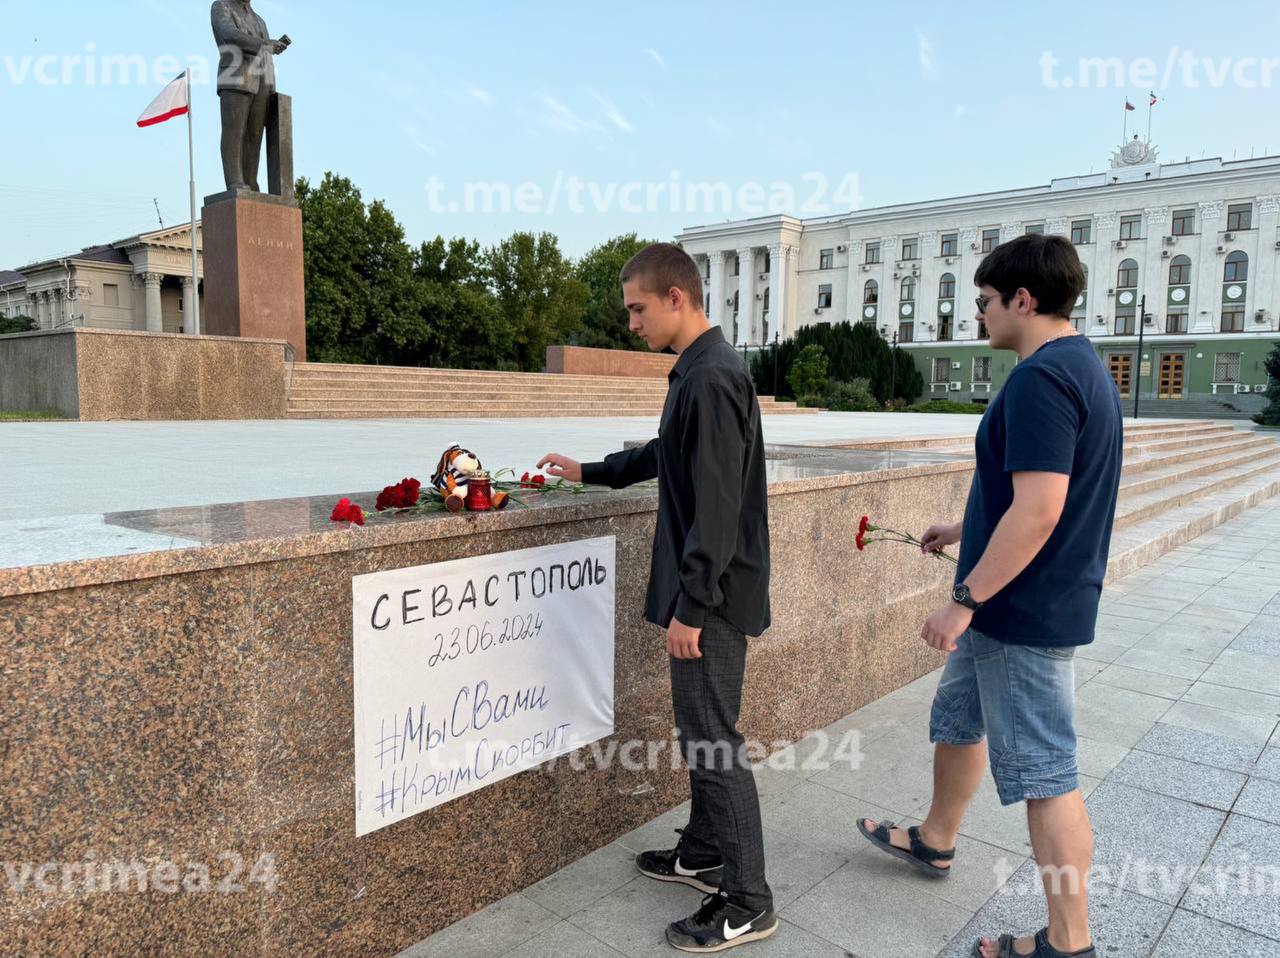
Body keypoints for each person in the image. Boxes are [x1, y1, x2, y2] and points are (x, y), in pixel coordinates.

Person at [857, 234, 1120, 958]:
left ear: (1023, 300)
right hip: (1023, 600)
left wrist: (964, 599)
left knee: (1047, 776)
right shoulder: (1078, 363)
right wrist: (961, 528)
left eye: (985, 301)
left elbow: (1039, 510)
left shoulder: (1041, 379)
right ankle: (936, 839)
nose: (979, 314)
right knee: (957, 718)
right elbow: (1023, 491)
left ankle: (1069, 943)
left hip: (1019, 612)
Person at [538, 242, 776, 952]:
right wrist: (589, 470)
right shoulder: (701, 371)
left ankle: (749, 899)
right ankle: (704, 850)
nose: (632, 324)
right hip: (708, 593)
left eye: (638, 309)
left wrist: (692, 607)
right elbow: (664, 455)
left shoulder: (709, 378)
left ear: (679, 298)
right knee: (700, 735)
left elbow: (720, 506)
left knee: (714, 742)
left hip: (713, 600)